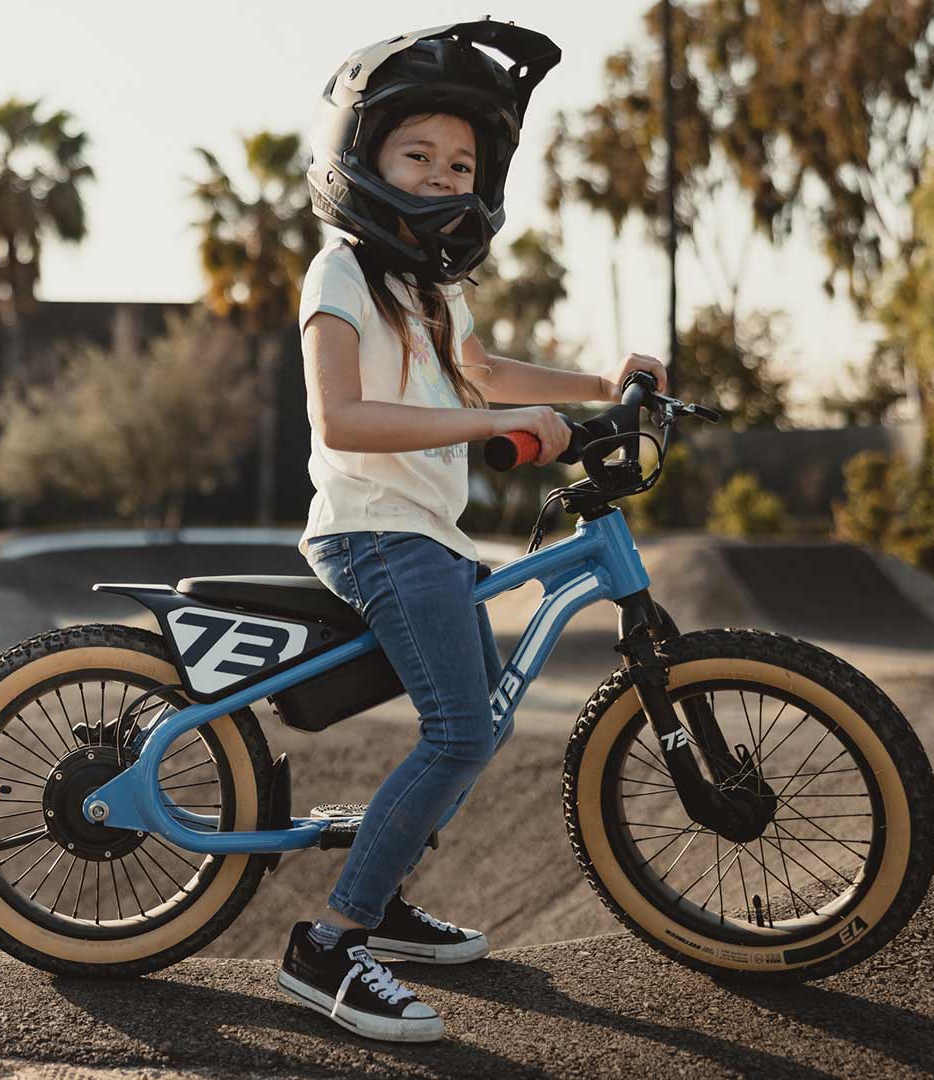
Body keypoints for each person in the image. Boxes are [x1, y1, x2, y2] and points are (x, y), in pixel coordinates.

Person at [278, 21, 668, 1043]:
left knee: (476, 725)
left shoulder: (432, 291)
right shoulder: (343, 275)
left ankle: (386, 894)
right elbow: (341, 419)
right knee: (462, 729)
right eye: (419, 156)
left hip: (425, 538)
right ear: (359, 160)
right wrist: (491, 425)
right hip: (371, 532)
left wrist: (602, 384)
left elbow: (490, 376)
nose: (444, 178)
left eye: (463, 164)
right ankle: (331, 946)